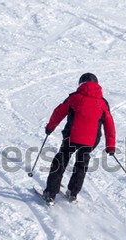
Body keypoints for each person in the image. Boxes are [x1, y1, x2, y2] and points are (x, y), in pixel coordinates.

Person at [43, 72, 116, 204]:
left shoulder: (74, 98)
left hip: (72, 136)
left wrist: (50, 128)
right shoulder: (103, 103)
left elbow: (58, 112)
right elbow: (109, 125)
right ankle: (73, 192)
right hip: (91, 140)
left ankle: (50, 193)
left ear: (81, 84)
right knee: (82, 163)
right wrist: (110, 146)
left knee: (62, 159)